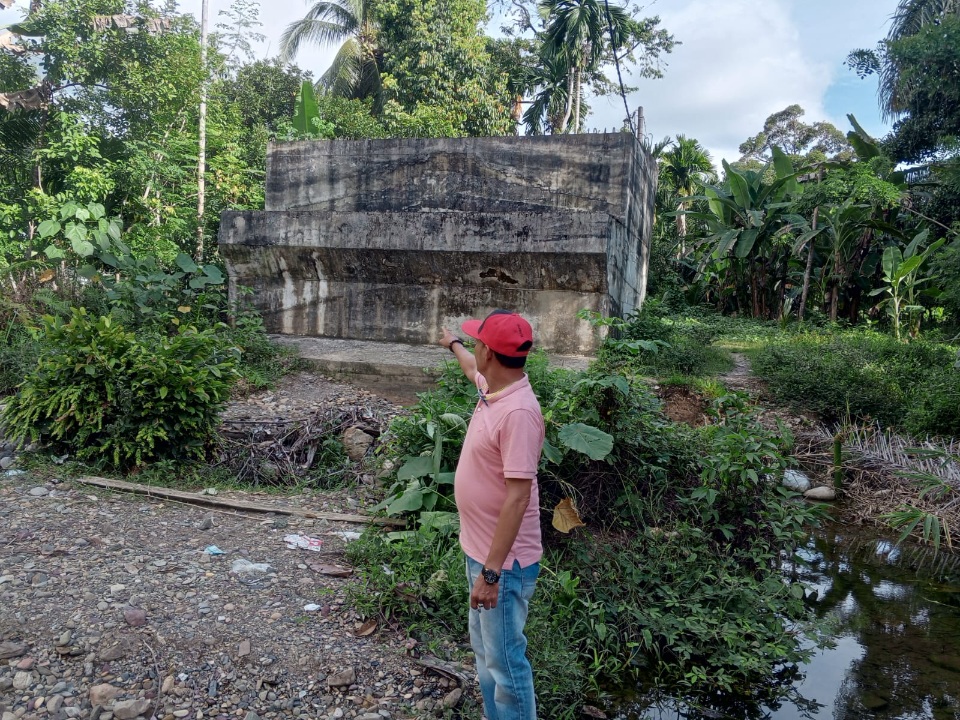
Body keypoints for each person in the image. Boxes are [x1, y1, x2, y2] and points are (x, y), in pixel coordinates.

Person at [438, 309, 545, 720]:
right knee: (485, 652)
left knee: (505, 661)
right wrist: (453, 343)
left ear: (492, 353)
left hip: (503, 564)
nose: (474, 349)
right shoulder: (494, 388)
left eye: (477, 342)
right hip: (481, 553)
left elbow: (518, 498)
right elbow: (470, 370)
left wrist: (492, 573)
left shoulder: (518, 413)